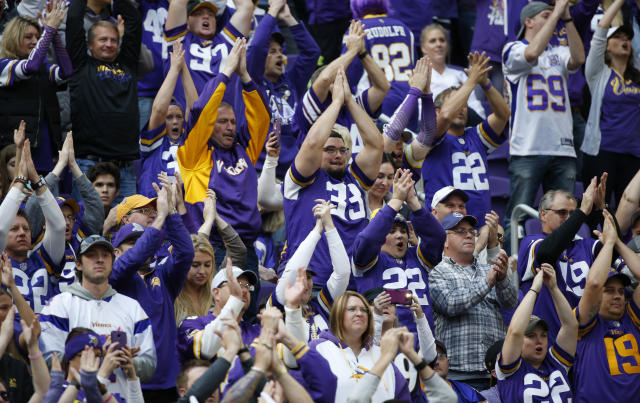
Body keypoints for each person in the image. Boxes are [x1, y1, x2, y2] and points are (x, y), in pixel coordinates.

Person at [177, 38, 269, 318]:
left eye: (232, 122)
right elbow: (200, 112)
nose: (230, 127)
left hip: (248, 249)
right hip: (212, 249)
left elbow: (261, 118)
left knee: (247, 316)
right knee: (212, 315)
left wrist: (246, 77)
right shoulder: (194, 155)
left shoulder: (246, 152)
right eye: (222, 122)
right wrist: (225, 73)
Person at [284, 67, 383, 287]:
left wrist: (349, 100)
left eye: (342, 150)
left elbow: (376, 145)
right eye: (329, 149)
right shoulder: (302, 180)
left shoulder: (355, 178)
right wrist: (336, 102)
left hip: (353, 284)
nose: (338, 155)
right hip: (310, 284)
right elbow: (311, 143)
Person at [502, 0, 586, 252]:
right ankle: (513, 270)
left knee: (564, 215)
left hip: (562, 147)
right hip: (527, 147)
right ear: (528, 21)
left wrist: (567, 18)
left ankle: (561, 266)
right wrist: (557, 11)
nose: (554, 18)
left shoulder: (557, 52)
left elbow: (579, 58)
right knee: (518, 212)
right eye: (546, 15)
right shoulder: (513, 48)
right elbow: (531, 55)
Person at [399, 51, 510, 226]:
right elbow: (445, 117)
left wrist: (485, 82)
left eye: (465, 105)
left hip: (481, 227)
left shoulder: (476, 135)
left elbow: (503, 115)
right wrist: (472, 80)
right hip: (446, 228)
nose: (462, 108)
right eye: (457, 103)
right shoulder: (430, 138)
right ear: (435, 111)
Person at [39, 235, 156, 400]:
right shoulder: (59, 305)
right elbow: (48, 362)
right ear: (78, 264)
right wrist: (101, 355)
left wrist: (126, 360)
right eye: (91, 255)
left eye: (105, 255)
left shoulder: (133, 308)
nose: (100, 259)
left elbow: (150, 367)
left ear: (112, 262)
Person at [110, 180, 194, 402]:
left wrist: (173, 213)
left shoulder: (163, 276)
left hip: (167, 381)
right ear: (117, 252)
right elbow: (135, 258)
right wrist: (159, 217)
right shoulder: (114, 277)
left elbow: (185, 253)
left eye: (144, 241)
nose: (142, 247)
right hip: (126, 379)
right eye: (133, 244)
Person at [429, 212, 517, 391]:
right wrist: (488, 282)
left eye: (471, 231)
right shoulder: (436, 272)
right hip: (458, 374)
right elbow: (451, 304)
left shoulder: (489, 269)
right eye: (460, 231)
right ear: (445, 240)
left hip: (495, 373)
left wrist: (502, 280)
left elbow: (510, 302)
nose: (469, 235)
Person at [353, 168, 445, 333]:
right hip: (384, 341)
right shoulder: (367, 260)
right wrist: (396, 200)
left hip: (424, 344)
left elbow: (438, 236)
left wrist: (413, 203)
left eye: (403, 231)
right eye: (391, 231)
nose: (399, 236)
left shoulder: (417, 257)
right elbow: (368, 239)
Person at [66, 0, 142, 199]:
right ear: (89, 44)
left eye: (113, 40)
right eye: (103, 40)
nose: (109, 44)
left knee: (126, 226)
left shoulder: (128, 65)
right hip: (88, 163)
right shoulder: (80, 65)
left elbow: (133, 20)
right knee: (87, 226)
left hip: (124, 167)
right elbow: (74, 19)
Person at [517, 180, 607, 340]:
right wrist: (581, 213)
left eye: (572, 213)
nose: (569, 218)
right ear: (543, 214)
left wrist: (602, 209)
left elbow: (614, 247)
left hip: (586, 340)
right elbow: (546, 253)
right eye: (562, 212)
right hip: (548, 342)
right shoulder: (530, 242)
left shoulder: (585, 245)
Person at [247, 0, 321, 177]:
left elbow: (312, 53)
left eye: (280, 50)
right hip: (260, 171)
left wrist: (288, 18)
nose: (279, 54)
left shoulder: (292, 80)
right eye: (272, 51)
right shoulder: (252, 83)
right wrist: (272, 12)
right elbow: (256, 47)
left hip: (293, 172)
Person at [270, 199, 349, 365]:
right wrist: (316, 230)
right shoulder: (278, 305)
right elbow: (292, 271)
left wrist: (329, 226)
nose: (305, 283)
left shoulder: (321, 305)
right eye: (300, 277)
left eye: (309, 277)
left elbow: (343, 273)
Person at [572, 210, 640, 401]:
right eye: (609, 290)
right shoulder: (586, 323)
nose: (618, 296)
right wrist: (609, 244)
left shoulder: (633, 320)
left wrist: (617, 241)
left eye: (620, 291)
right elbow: (593, 283)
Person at [24, 133, 104, 292]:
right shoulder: (36, 237)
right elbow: (34, 205)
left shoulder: (81, 238)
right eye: (60, 217)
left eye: (70, 217)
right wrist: (60, 166)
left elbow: (95, 203)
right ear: (46, 222)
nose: (66, 222)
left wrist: (73, 165)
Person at [294, 19, 389, 155]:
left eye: (343, 79)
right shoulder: (309, 114)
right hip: (324, 175)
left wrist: (362, 52)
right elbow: (325, 78)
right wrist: (351, 52)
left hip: (359, 175)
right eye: (338, 80)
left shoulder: (356, 107)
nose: (344, 83)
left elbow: (382, 87)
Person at [0, 0, 70, 172]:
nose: (34, 41)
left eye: (37, 37)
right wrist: (50, 30)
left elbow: (67, 72)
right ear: (14, 38)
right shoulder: (4, 66)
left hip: (44, 147)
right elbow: (28, 67)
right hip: (14, 149)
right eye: (28, 37)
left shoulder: (43, 69)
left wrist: (53, 34)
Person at [582, 0, 640, 206]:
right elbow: (600, 31)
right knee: (598, 208)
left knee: (629, 211)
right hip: (602, 151)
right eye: (618, 37)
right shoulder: (598, 74)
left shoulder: (637, 76)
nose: (624, 41)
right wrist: (619, 2)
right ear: (607, 45)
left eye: (627, 38)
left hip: (634, 153)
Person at [307, 291, 410, 401]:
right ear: (338, 314)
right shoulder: (318, 349)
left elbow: (402, 396)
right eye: (352, 309)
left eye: (364, 310)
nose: (359, 314)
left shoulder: (381, 354)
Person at [496, 263, 578, 402]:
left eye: (543, 335)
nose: (539, 340)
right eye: (531, 336)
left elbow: (571, 326)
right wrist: (534, 289)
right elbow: (515, 331)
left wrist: (553, 288)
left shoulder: (556, 362)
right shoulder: (510, 369)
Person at [0, 141, 65, 314]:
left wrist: (36, 179)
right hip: (11, 333)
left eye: (26, 229)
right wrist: (21, 179)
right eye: (13, 229)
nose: (22, 233)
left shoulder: (43, 257)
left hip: (46, 333)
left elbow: (59, 226)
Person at [163, 0, 253, 108]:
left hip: (225, 120)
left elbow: (246, 7)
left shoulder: (228, 42)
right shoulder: (179, 41)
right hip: (188, 120)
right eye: (198, 14)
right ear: (187, 21)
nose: (206, 17)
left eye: (211, 15)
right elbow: (178, 2)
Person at [138, 40, 197, 198]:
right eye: (169, 117)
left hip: (186, 206)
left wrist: (183, 67)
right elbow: (158, 110)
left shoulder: (189, 140)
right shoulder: (154, 142)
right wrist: (174, 68)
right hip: (154, 203)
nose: (176, 121)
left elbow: (196, 110)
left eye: (179, 116)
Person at [345, 0, 415, 131]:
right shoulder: (405, 29)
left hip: (377, 100)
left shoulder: (356, 30)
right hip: (409, 98)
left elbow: (350, 77)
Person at [177, 259, 259, 363]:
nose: (243, 290)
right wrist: (236, 299)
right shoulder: (192, 323)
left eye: (247, 286)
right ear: (216, 293)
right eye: (236, 284)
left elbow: (285, 361)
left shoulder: (256, 330)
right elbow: (205, 350)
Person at [419, 23, 486, 120]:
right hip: (431, 126)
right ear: (423, 47)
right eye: (432, 41)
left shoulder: (460, 75)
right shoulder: (418, 75)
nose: (438, 44)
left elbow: (474, 105)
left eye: (442, 40)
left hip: (462, 124)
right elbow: (418, 110)